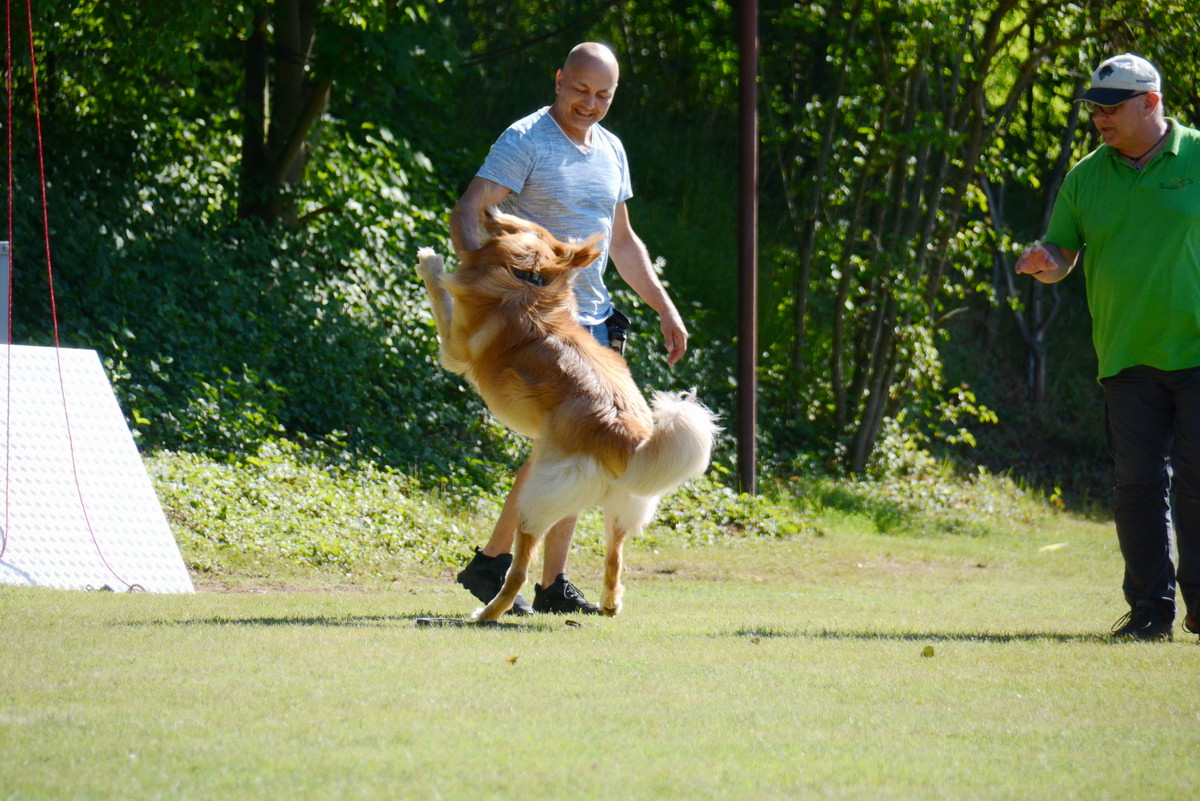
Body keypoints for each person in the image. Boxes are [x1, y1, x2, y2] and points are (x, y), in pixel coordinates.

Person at [447, 42, 689, 616]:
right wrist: (481, 290)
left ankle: (541, 581)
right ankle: (502, 565)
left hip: (596, 317)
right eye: (580, 90)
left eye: (603, 94)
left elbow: (622, 241)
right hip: (543, 322)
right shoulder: (526, 139)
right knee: (567, 449)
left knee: (579, 452)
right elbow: (470, 210)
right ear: (559, 81)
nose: (590, 103)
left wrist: (663, 305)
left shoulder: (611, 149)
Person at [1015, 53, 1200, 641]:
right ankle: (1150, 612)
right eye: (1093, 107)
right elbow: (1061, 255)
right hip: (1125, 356)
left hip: (1198, 354)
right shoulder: (1085, 176)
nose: (1098, 118)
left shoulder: (1197, 155)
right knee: (1137, 486)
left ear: (1151, 103)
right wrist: (1046, 264)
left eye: (1111, 107)